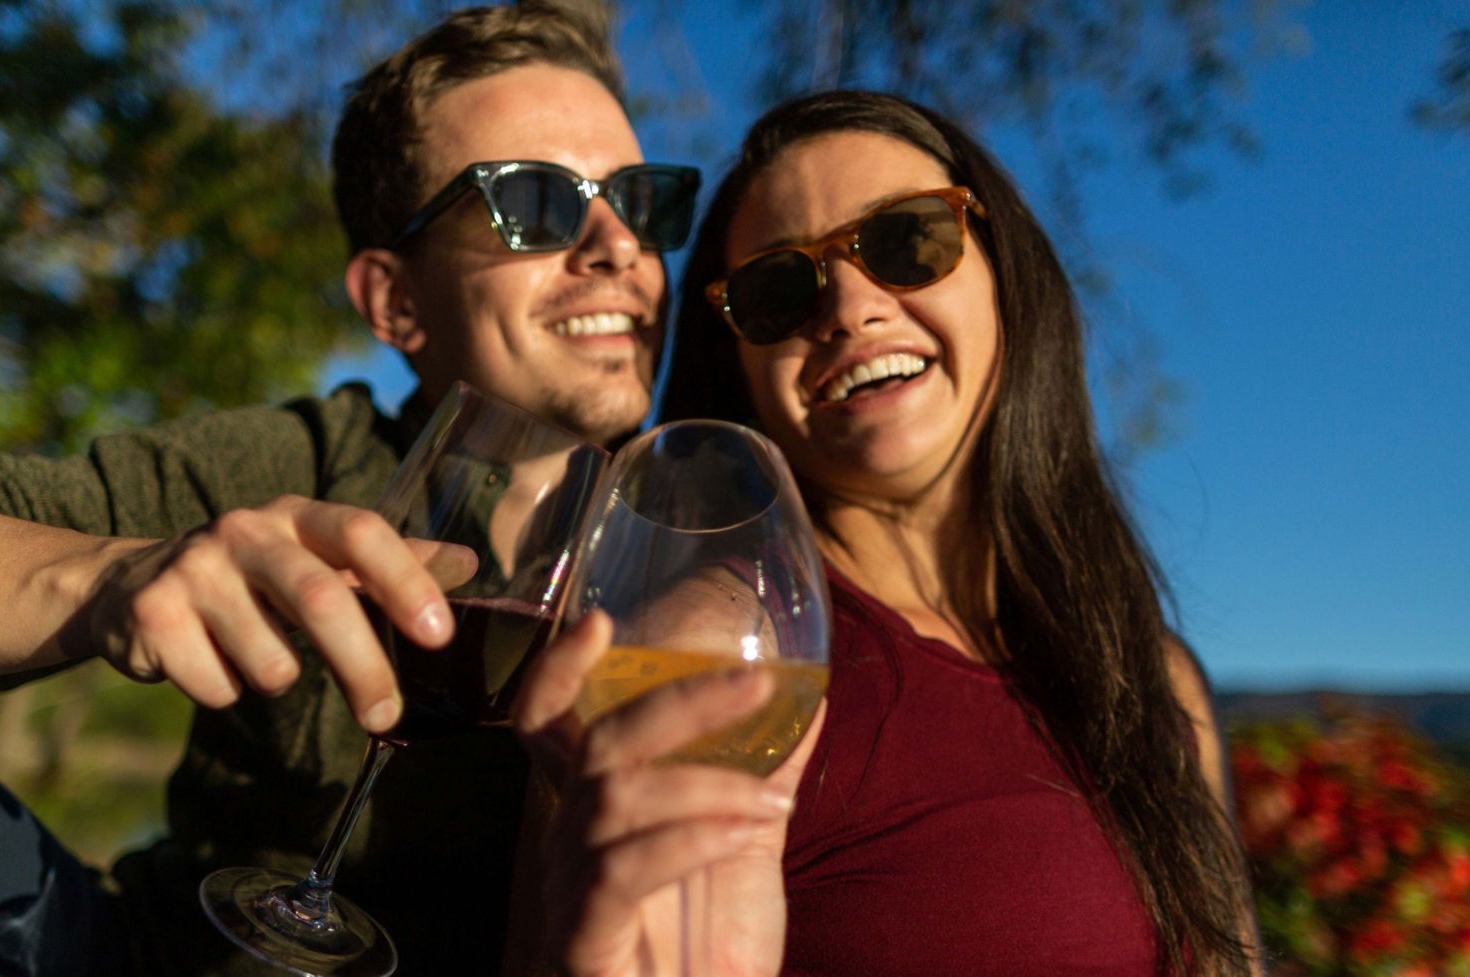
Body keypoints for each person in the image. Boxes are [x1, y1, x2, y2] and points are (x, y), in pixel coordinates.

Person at [0, 3, 710, 975]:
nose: (614, 243)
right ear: (393, 303)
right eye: (531, 202)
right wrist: (111, 576)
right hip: (161, 961)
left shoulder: (735, 535)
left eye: (640, 199)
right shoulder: (307, 468)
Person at [513, 90, 1262, 976]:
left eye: (910, 240)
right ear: (740, 363)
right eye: (777, 289)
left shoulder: (1151, 671)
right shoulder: (724, 650)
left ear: (1005, 270)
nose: (848, 306)